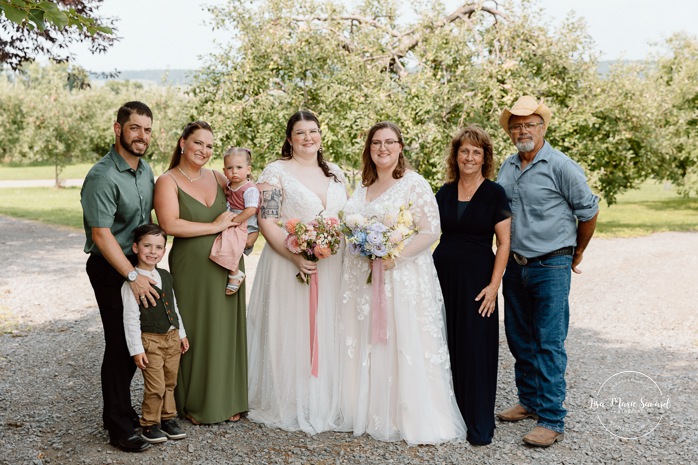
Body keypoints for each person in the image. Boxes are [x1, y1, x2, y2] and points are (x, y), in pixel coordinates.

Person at [336, 121, 466, 445]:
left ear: (400, 147)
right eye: (376, 142)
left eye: (390, 142)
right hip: (364, 281)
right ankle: (369, 411)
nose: (383, 148)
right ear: (369, 148)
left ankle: (405, 416)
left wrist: (395, 257)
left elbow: (430, 230)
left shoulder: (413, 183)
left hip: (401, 278)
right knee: (370, 341)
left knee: (401, 340)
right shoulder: (363, 187)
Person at [496, 96, 599, 447]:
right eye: (516, 126)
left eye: (529, 124)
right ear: (510, 132)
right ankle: (529, 401)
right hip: (514, 264)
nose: (522, 130)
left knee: (549, 341)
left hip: (552, 264)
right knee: (519, 337)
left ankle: (552, 417)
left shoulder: (560, 165)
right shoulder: (508, 168)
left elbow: (588, 211)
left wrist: (578, 252)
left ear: (542, 127)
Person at [247, 110, 347, 434]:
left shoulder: (335, 174)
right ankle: (289, 398)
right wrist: (294, 255)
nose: (308, 138)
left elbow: (346, 218)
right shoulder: (276, 172)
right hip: (288, 264)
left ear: (321, 135)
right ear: (289, 138)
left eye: (313, 131)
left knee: (325, 328)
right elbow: (267, 220)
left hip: (330, 267)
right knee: (290, 330)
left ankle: (322, 396)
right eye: (300, 133)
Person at [154, 121, 248, 424]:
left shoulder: (220, 177)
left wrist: (251, 231)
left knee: (225, 331)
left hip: (227, 265)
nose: (204, 151)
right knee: (194, 332)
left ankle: (229, 399)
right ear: (182, 143)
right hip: (191, 269)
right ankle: (195, 402)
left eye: (209, 146)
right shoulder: (167, 181)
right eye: (198, 143)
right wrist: (213, 227)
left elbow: (247, 201)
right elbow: (169, 225)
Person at [81, 101, 157, 453]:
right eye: (135, 128)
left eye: (147, 129)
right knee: (120, 344)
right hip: (110, 267)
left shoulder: (146, 171)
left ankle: (120, 413)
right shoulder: (102, 176)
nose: (142, 136)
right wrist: (131, 275)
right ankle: (118, 426)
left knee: (135, 340)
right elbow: (101, 234)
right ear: (118, 129)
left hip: (135, 265)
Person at [432, 125, 511, 446]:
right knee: (444, 344)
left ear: (485, 158)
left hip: (479, 281)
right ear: (456, 155)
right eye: (464, 150)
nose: (469, 157)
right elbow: (424, 232)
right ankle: (448, 417)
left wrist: (494, 286)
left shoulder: (495, 194)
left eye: (476, 152)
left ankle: (478, 422)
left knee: (476, 348)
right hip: (440, 278)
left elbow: (504, 243)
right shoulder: (444, 192)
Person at [122, 224, 189, 444]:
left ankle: (167, 418)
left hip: (171, 338)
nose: (153, 251)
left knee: (170, 382)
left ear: (164, 250)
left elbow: (174, 306)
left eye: (159, 247)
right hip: (150, 340)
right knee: (156, 385)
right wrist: (136, 350)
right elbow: (130, 319)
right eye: (147, 246)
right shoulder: (131, 283)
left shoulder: (165, 276)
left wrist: (181, 333)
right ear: (135, 247)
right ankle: (149, 423)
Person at [209, 147, 260, 295]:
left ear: (248, 169)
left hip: (246, 220)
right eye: (230, 168)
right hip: (235, 218)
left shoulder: (249, 189)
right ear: (224, 171)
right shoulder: (230, 186)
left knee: (233, 241)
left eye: (239, 167)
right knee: (225, 240)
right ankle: (228, 267)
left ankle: (235, 273)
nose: (234, 172)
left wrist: (234, 221)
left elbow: (251, 210)